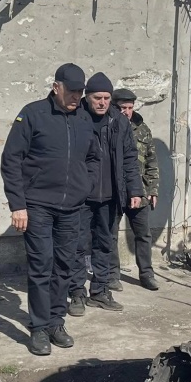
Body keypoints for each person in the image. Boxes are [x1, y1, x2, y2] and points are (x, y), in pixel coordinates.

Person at [1, 63, 98, 356]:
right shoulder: (33, 114)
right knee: (42, 265)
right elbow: (11, 160)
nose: (76, 97)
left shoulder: (84, 118)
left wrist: (86, 184)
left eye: (80, 92)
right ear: (56, 87)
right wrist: (18, 204)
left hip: (72, 208)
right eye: (71, 91)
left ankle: (57, 322)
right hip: (39, 206)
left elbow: (93, 157)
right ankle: (40, 327)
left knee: (65, 266)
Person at [68, 72, 143, 316]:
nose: (102, 102)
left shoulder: (119, 122)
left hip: (111, 196)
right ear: (87, 97)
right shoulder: (75, 118)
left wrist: (134, 190)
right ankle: (76, 293)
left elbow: (130, 158)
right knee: (77, 246)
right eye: (97, 97)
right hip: (81, 197)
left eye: (106, 98)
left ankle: (99, 292)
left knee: (105, 244)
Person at [109, 88, 160, 291]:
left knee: (143, 234)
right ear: (115, 107)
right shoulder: (108, 126)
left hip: (139, 191)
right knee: (110, 234)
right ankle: (113, 274)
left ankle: (146, 273)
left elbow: (151, 159)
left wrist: (153, 189)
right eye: (123, 108)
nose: (127, 112)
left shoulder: (142, 128)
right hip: (114, 191)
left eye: (130, 108)